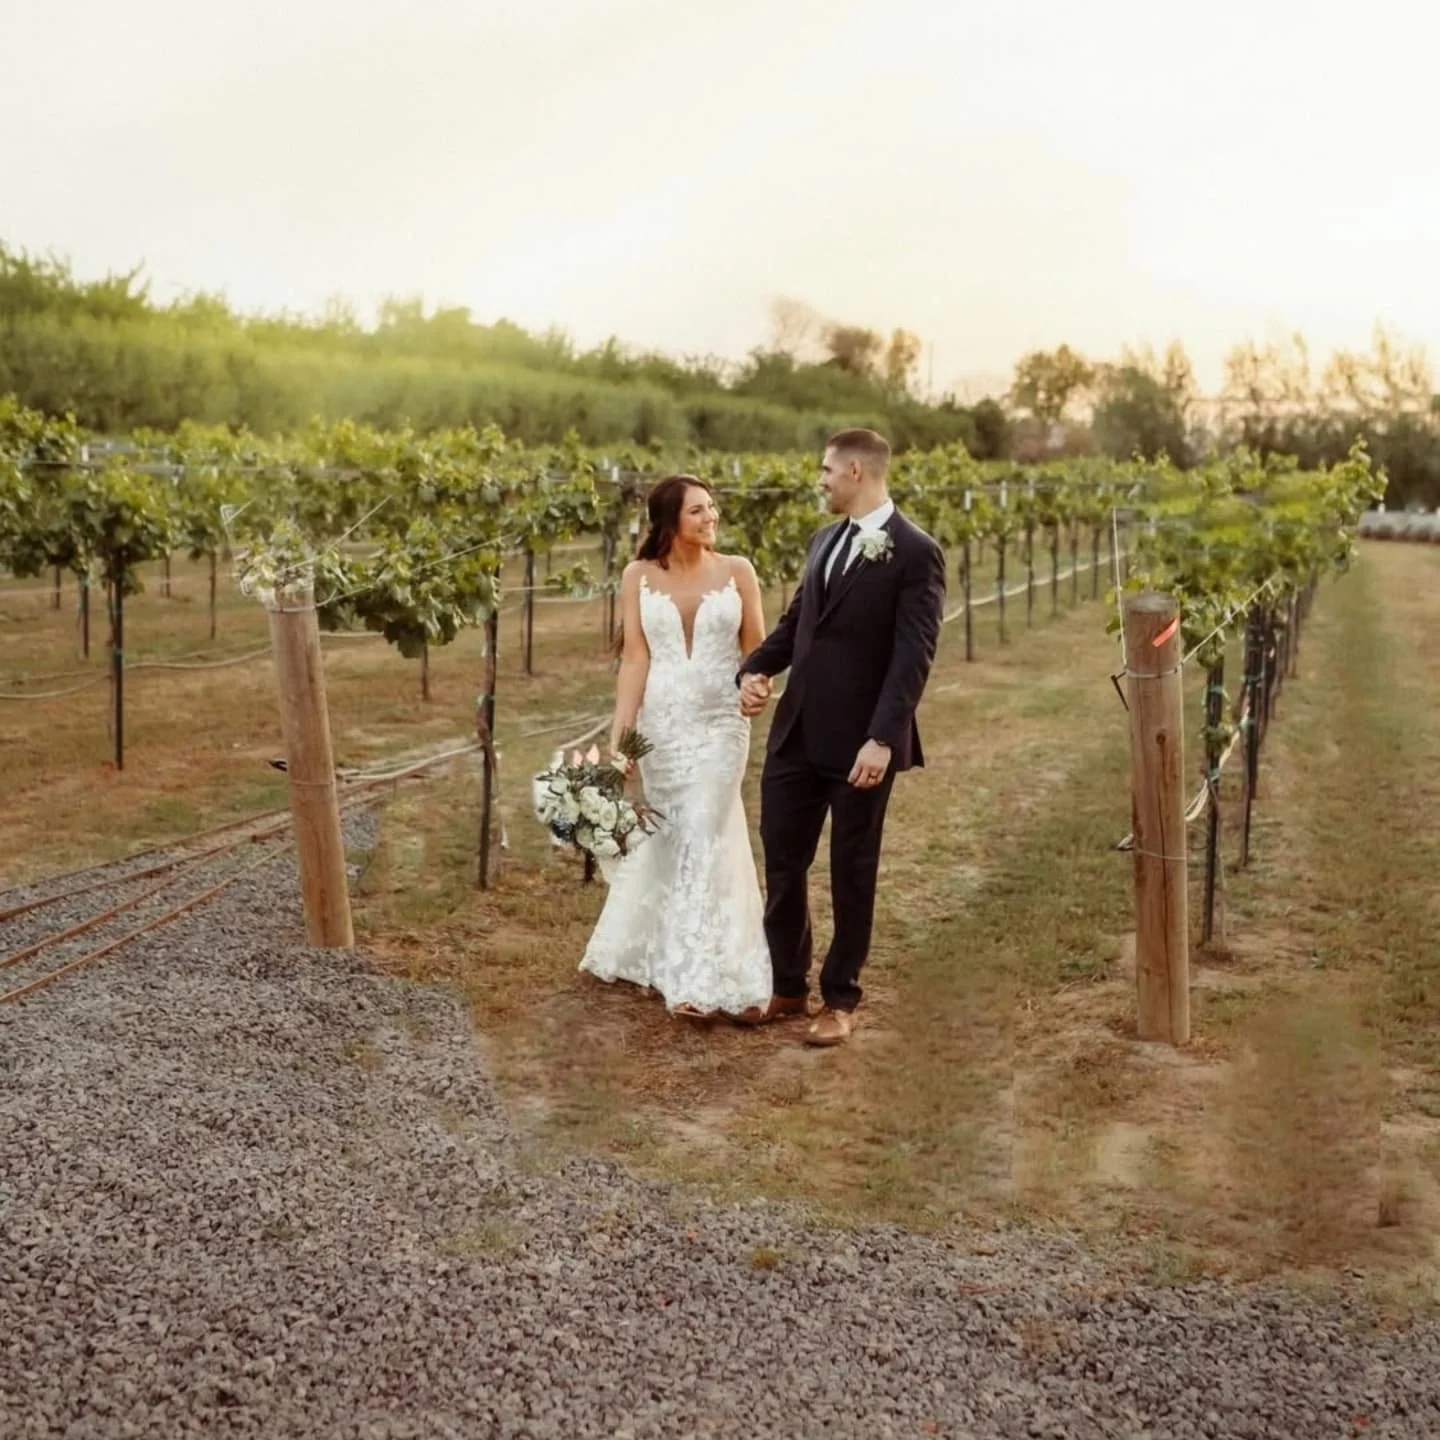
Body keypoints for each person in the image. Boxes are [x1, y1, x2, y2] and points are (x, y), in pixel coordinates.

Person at [736, 428, 946, 1047]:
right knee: (782, 857)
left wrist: (883, 738)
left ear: (856, 471)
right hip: (796, 732)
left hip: (861, 743)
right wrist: (752, 669)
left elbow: (915, 653)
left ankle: (840, 997)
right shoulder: (823, 539)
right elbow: (797, 624)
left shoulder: (915, 551)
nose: (820, 479)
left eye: (827, 470)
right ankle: (788, 983)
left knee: (852, 868)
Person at [577, 474, 773, 1019]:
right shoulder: (637, 576)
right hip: (662, 725)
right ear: (668, 522)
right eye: (697, 511)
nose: (711, 518)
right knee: (672, 836)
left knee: (707, 827)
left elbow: (757, 652)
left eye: (712, 508)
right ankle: (663, 952)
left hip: (720, 724)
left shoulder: (739, 573)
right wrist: (623, 737)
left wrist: (759, 685)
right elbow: (635, 658)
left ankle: (699, 977)